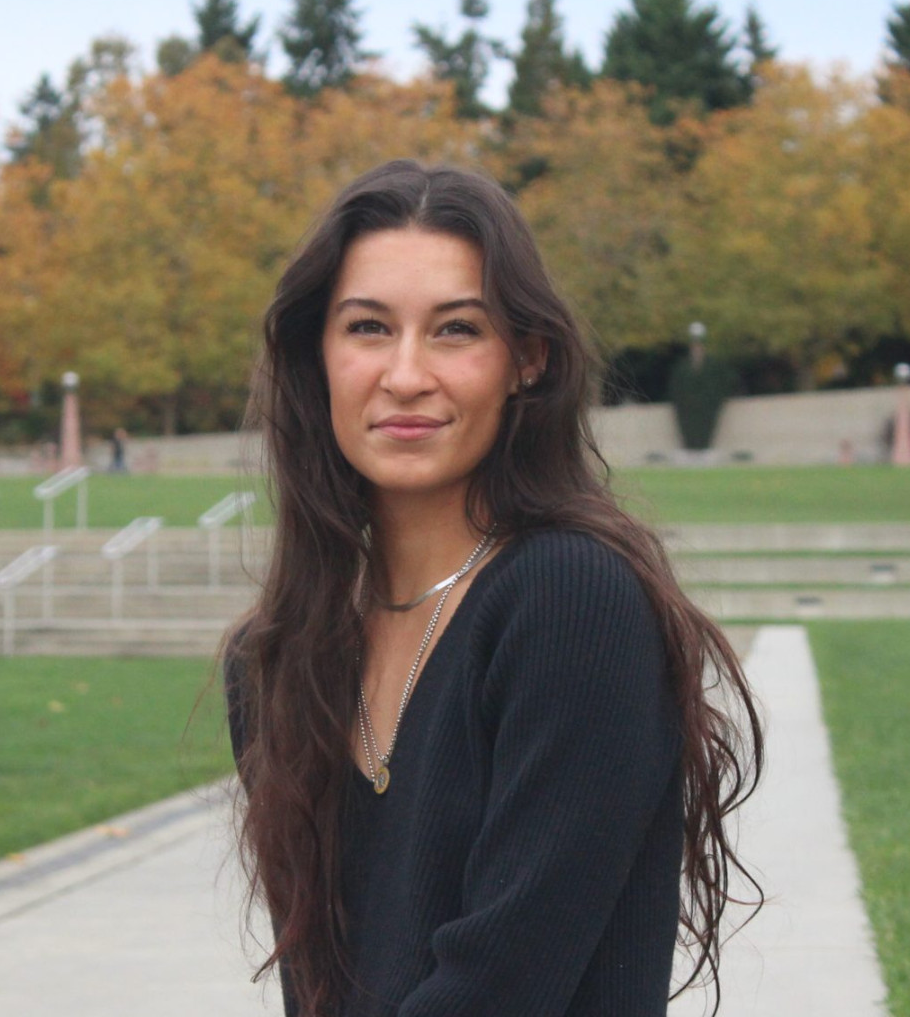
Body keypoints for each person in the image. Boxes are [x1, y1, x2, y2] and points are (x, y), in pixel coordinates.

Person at [224, 160, 763, 1017]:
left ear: (528, 360)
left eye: (456, 330)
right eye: (368, 327)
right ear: (315, 356)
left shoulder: (571, 601)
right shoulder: (278, 656)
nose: (406, 375)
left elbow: (500, 987)